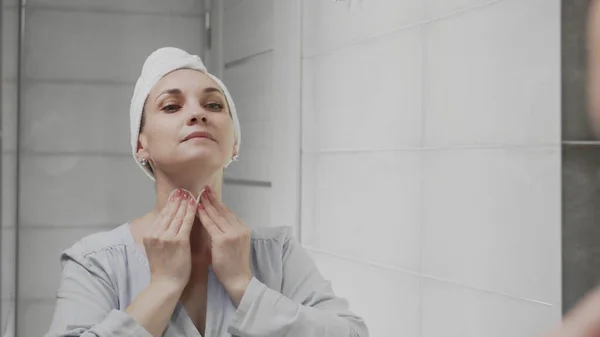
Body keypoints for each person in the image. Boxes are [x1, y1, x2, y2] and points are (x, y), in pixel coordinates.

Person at [44, 47, 368, 337]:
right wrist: (163, 286)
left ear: (235, 143)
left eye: (213, 104)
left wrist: (244, 286)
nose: (197, 114)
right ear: (140, 145)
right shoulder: (94, 262)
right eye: (171, 106)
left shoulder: (277, 254)